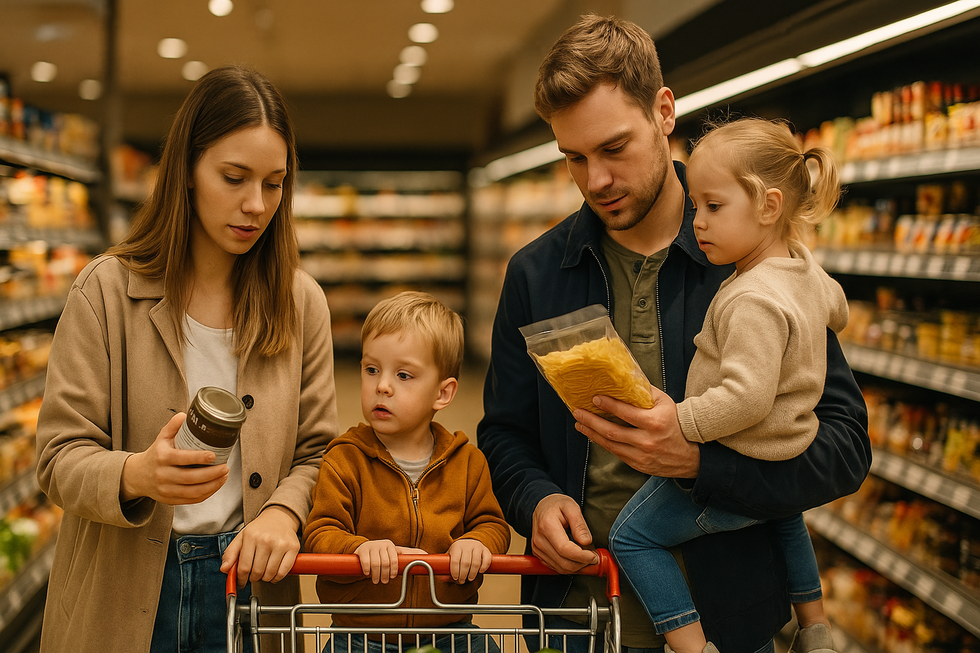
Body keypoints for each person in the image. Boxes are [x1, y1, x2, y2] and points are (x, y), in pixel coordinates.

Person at [476, 14, 870, 653]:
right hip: (578, 620)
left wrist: (702, 463)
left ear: (664, 112)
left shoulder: (755, 263)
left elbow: (844, 447)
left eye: (613, 148)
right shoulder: (536, 273)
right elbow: (505, 432)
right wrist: (535, 501)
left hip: (730, 619)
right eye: (573, 158)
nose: (595, 180)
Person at [34, 65, 338, 653]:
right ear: (188, 171)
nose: (255, 204)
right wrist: (135, 474)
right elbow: (57, 456)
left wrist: (283, 513)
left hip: (249, 586)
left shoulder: (301, 303)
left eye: (274, 184)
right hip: (124, 587)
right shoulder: (105, 292)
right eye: (234, 177)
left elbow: (319, 450)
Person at [608, 117, 848, 653]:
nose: (699, 222)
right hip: (788, 449)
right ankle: (815, 628)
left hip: (742, 452)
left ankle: (693, 646)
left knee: (632, 537)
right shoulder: (804, 270)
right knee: (784, 516)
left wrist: (682, 421)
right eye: (697, 207)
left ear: (768, 206)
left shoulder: (750, 298)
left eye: (714, 207)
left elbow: (746, 397)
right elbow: (839, 310)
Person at [303, 291, 511, 653]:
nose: (382, 385)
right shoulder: (344, 459)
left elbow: (493, 525)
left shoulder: (467, 463)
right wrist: (359, 549)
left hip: (452, 630)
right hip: (359, 637)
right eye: (372, 370)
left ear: (442, 394)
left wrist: (476, 543)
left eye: (403, 374)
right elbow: (319, 533)